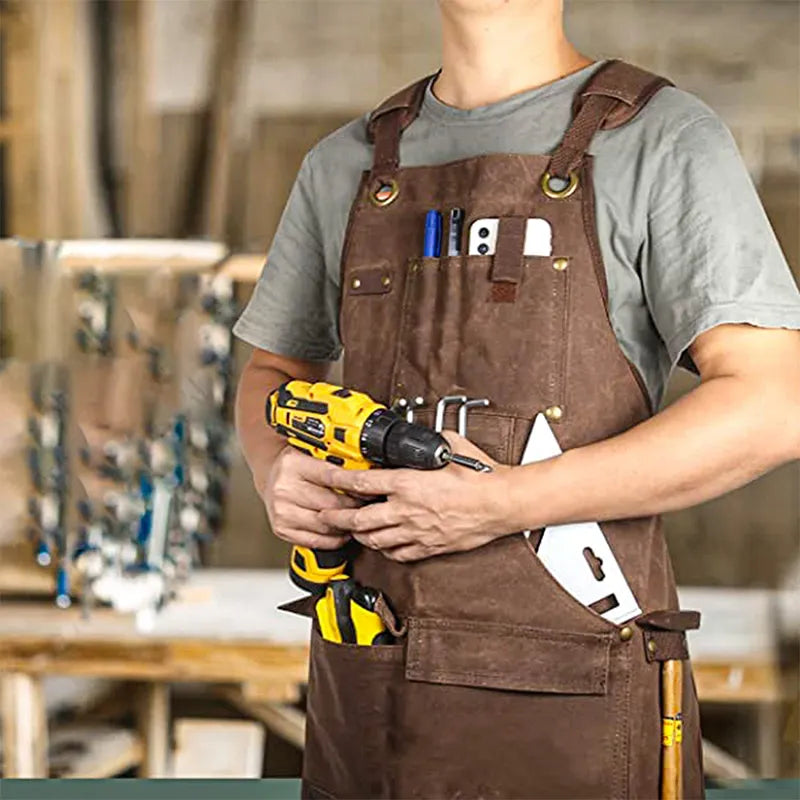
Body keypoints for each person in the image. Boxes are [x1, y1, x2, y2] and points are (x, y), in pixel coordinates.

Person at [234, 1, 800, 797]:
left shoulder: (663, 139)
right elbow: (271, 379)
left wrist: (503, 503)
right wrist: (274, 472)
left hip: (574, 696)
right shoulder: (349, 163)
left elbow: (773, 405)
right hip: (373, 682)